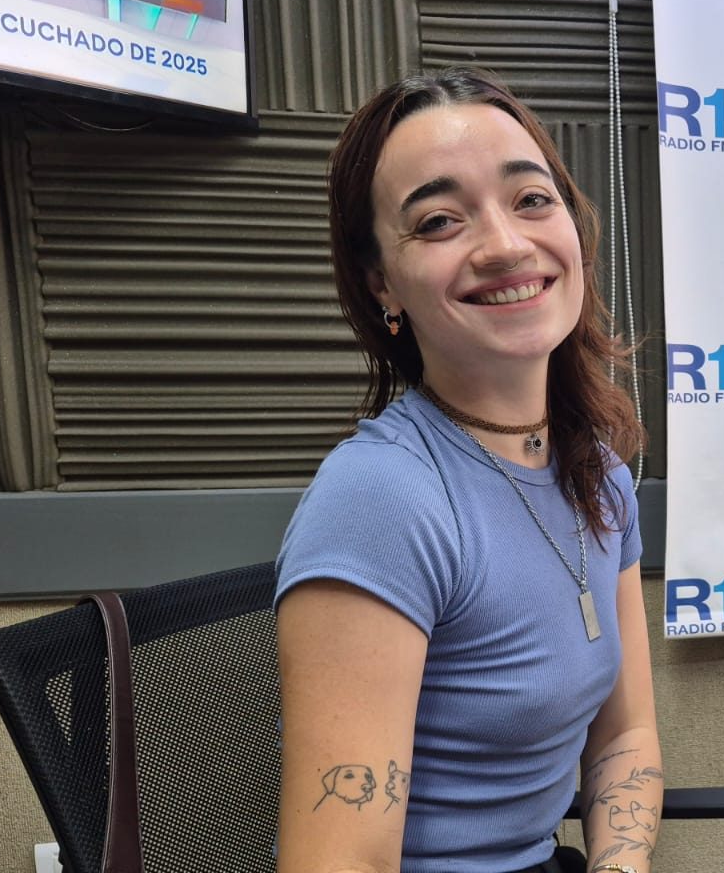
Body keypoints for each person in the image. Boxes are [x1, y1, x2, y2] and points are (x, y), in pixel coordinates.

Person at [273, 68, 659, 873]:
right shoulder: (383, 497)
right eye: (440, 220)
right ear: (383, 283)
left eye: (531, 200)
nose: (506, 244)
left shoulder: (598, 476)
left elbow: (624, 735)